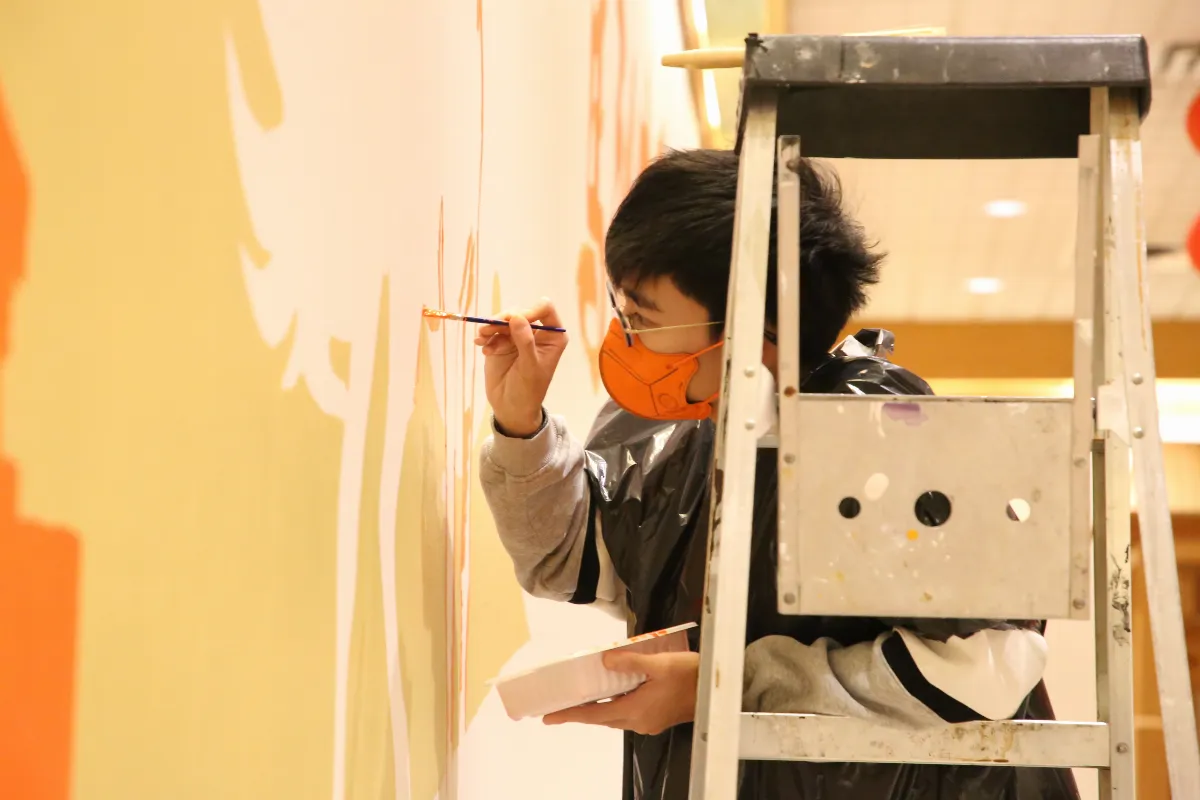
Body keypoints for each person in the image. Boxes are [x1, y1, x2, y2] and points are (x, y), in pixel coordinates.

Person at [476, 149, 1078, 800]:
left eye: (643, 318)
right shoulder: (684, 434)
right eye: (623, 313)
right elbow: (575, 559)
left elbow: (987, 665)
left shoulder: (876, 429)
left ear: (750, 325)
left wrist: (721, 688)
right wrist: (521, 423)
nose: (626, 339)